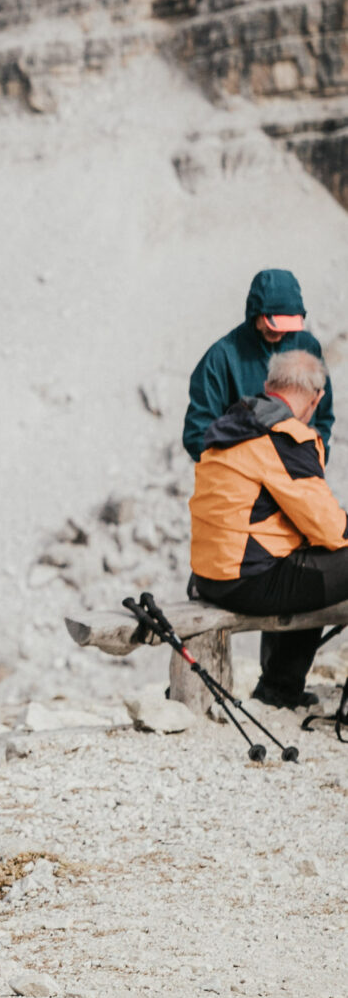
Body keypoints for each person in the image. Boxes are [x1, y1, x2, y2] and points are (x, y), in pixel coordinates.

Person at [189, 347, 348, 710]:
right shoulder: (283, 437)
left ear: (268, 385)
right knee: (323, 561)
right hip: (247, 580)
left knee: (311, 569)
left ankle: (280, 688)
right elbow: (329, 528)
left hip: (209, 574)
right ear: (316, 398)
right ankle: (280, 687)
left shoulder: (233, 426)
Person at [184, 270, 334, 464]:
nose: (280, 333)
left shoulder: (308, 346)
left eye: (287, 326)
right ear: (256, 313)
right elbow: (197, 433)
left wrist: (315, 456)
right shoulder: (221, 357)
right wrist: (243, 467)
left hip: (299, 471)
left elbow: (323, 412)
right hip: (241, 481)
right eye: (274, 326)